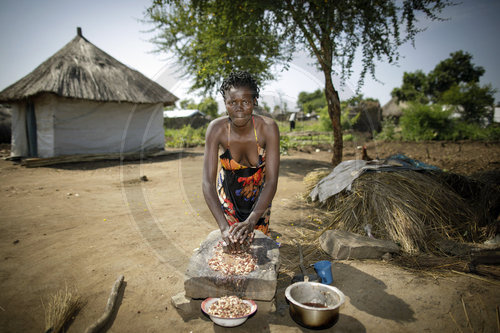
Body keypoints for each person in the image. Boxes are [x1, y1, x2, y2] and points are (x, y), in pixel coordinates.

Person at [202, 71, 280, 251]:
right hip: (228, 197)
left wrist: (253, 220)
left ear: (254, 102)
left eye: (245, 102)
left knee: (258, 248)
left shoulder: (268, 128)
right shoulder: (216, 129)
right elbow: (207, 182)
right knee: (233, 247)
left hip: (260, 197)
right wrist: (223, 227)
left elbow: (271, 181)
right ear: (225, 104)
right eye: (232, 102)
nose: (239, 108)